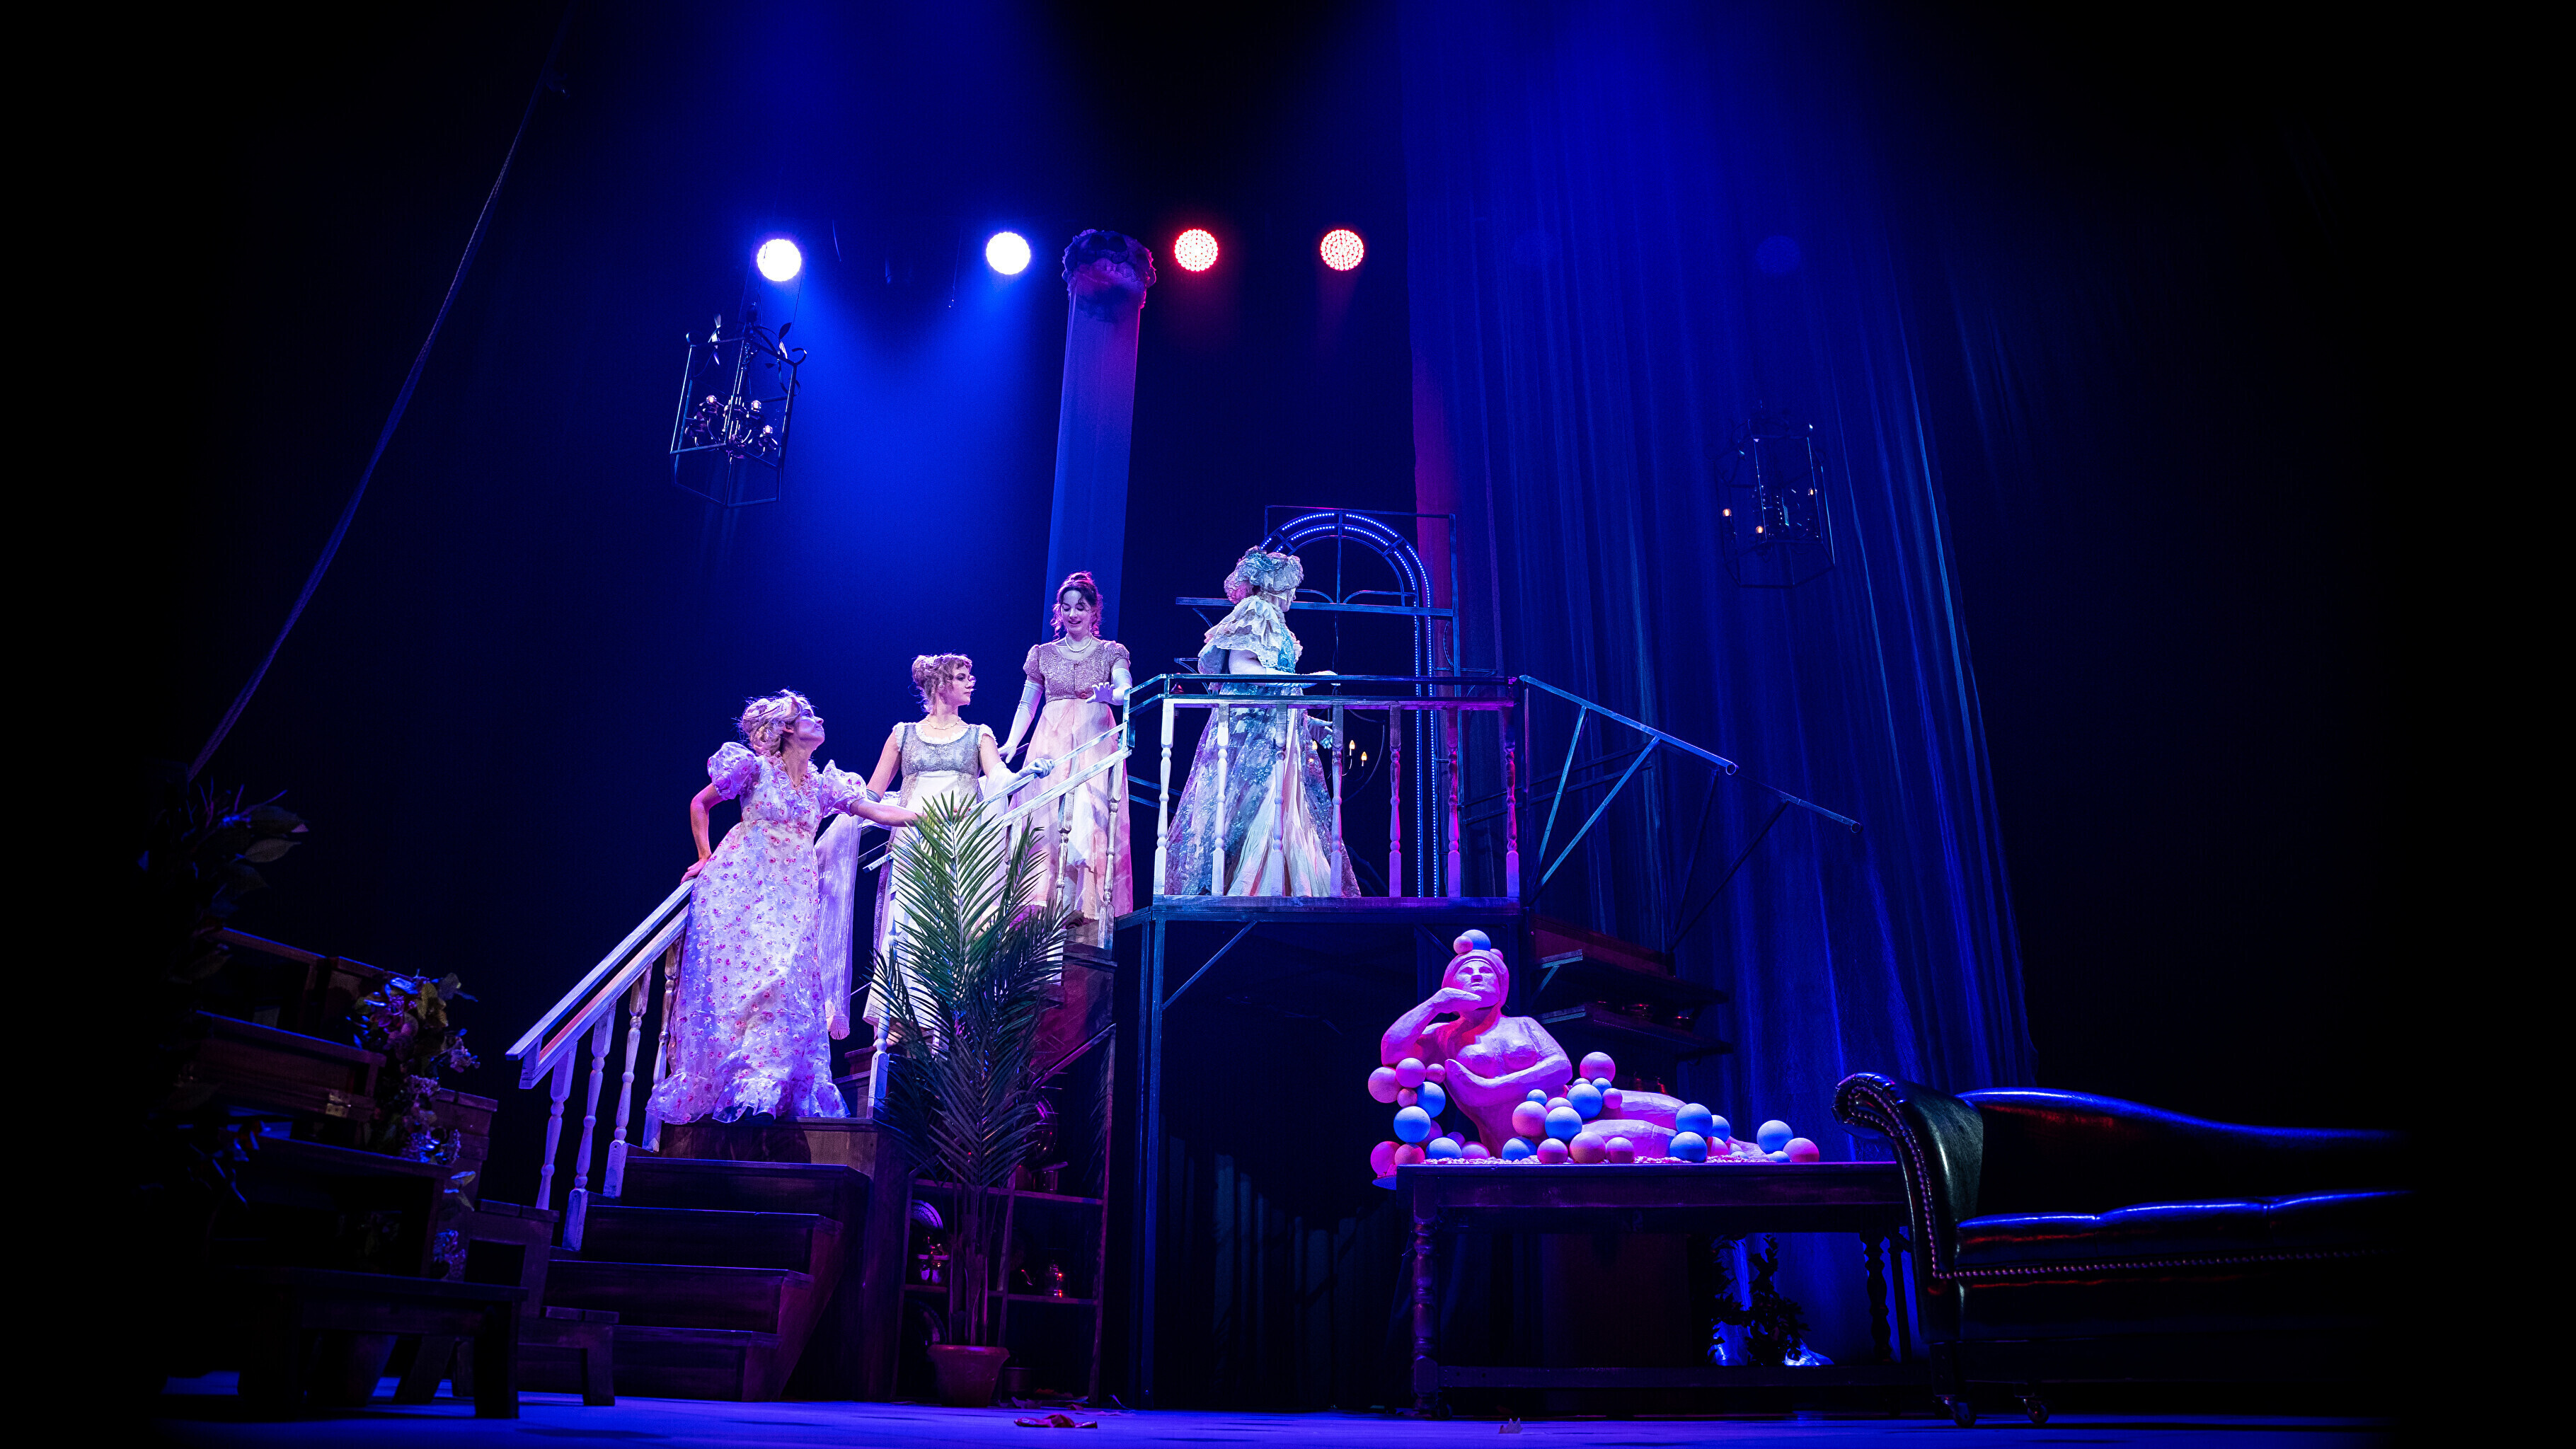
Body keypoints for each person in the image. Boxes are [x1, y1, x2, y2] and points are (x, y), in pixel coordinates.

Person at [650, 691, 917, 1126]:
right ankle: (737, 1087)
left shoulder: (822, 784)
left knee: (785, 982)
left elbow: (875, 810)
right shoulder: (753, 769)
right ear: (788, 729)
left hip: (792, 898)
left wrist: (930, 815)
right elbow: (701, 803)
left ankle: (765, 1088)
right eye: (809, 716)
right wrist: (703, 856)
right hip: (740, 890)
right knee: (747, 986)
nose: (820, 720)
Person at [1161, 548, 1357, 897]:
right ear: (1273, 586)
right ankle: (1254, 891)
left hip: (1277, 729)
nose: (1293, 594)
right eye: (1289, 586)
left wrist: (1309, 722)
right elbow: (1242, 668)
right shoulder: (1257, 610)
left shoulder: (1275, 621)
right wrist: (1306, 680)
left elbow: (1275, 689)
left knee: (1281, 812)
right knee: (1257, 811)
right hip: (1255, 732)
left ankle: (1283, 889)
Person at [999, 571, 1134, 947]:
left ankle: (1082, 912)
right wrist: (1011, 743)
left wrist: (1111, 696)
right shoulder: (1042, 654)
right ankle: (1043, 913)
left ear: (1094, 612)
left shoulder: (1111, 651)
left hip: (1093, 737)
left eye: (1081, 607)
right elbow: (1027, 703)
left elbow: (1125, 689)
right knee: (1047, 820)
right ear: (1059, 610)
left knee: (1088, 817)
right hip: (1051, 740)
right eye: (1067, 607)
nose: (1073, 614)